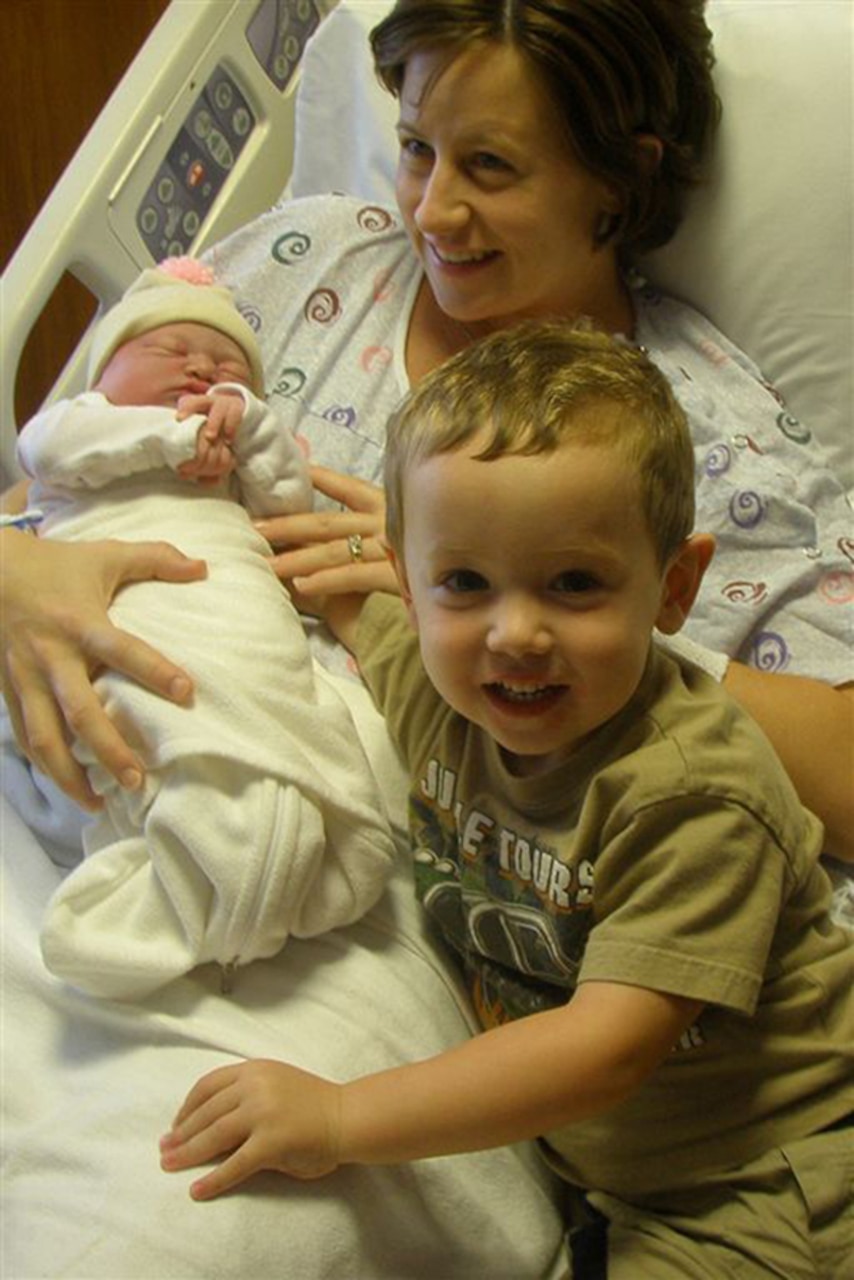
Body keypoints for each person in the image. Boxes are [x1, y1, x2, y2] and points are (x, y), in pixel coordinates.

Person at [2, 0, 851, 868]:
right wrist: (16, 580)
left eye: (489, 166)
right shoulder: (306, 259)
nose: (434, 212)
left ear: (620, 178)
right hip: (68, 774)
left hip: (324, 875)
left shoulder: (696, 430)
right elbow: (53, 478)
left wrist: (517, 601)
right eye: (416, 149)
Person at [159, 323, 854, 1278]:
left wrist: (338, 1116)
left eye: (574, 584)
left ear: (675, 587)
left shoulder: (691, 794)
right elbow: (338, 599)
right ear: (409, 575)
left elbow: (605, 1048)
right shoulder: (441, 690)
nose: (514, 633)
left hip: (760, 1177)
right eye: (466, 583)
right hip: (595, 1166)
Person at [8, 258, 395, 999]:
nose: (198, 369)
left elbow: (286, 507)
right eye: (166, 352)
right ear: (104, 373)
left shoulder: (233, 455)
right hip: (118, 588)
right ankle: (189, 880)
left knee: (267, 701)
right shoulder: (81, 426)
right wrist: (168, 440)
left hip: (228, 594)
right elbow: (52, 449)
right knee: (141, 716)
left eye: (225, 367)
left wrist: (248, 427)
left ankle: (258, 859)